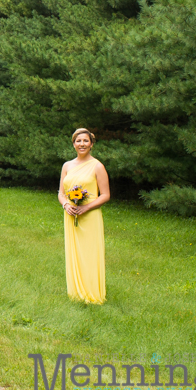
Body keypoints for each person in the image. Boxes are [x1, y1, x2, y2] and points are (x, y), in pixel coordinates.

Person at [58, 127, 110, 304]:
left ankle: (92, 294)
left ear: (91, 144)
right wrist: (66, 204)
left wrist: (86, 207)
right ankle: (75, 293)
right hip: (71, 215)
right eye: (78, 141)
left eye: (85, 141)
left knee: (89, 253)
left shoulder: (97, 166)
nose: (82, 144)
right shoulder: (67, 166)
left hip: (90, 216)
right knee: (74, 252)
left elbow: (105, 195)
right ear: (73, 144)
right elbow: (61, 192)